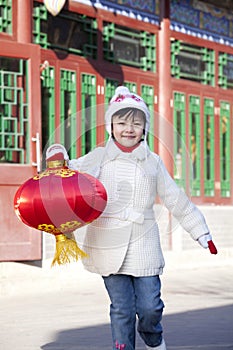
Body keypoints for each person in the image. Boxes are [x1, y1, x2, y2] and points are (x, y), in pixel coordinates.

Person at [46, 86, 217, 350]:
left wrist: (201, 232)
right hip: (107, 243)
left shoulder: (153, 162)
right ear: (111, 125)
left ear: (145, 128)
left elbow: (176, 198)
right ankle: (123, 346)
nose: (129, 128)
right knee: (122, 308)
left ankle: (152, 338)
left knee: (150, 306)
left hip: (144, 245)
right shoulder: (99, 157)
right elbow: (69, 170)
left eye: (136, 123)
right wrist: (57, 155)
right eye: (122, 122)